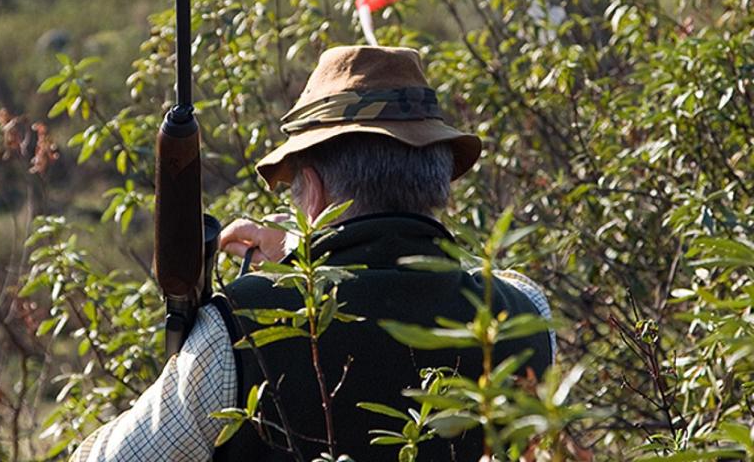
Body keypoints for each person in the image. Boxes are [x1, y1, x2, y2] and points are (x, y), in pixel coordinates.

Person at [72, 46, 554, 462]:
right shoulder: (524, 315)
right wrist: (304, 258)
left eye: (295, 192)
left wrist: (256, 300)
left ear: (317, 192)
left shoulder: (240, 331)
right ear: (436, 181)